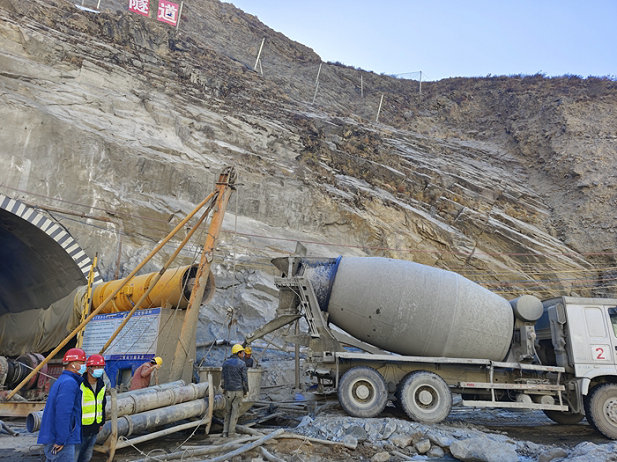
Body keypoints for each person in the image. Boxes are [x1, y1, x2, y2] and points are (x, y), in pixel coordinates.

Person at [37, 348, 86, 462]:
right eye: (82, 363)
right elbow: (63, 413)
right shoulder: (69, 383)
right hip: (62, 439)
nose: (84, 366)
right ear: (73, 364)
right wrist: (61, 439)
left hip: (56, 436)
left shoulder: (64, 380)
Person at [76, 354, 107, 462]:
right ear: (89, 368)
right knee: (75, 456)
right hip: (80, 429)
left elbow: (102, 404)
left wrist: (101, 422)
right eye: (96, 367)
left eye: (101, 367)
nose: (99, 369)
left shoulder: (102, 385)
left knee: (87, 457)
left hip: (94, 428)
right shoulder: (80, 384)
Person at [221, 344, 248, 438]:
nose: (243, 354)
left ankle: (225, 432)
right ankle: (231, 433)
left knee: (227, 412)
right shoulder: (242, 364)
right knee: (235, 412)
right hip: (238, 391)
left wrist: (223, 388)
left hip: (228, 391)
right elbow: (245, 380)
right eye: (242, 352)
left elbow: (223, 378)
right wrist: (246, 391)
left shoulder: (225, 363)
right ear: (238, 353)